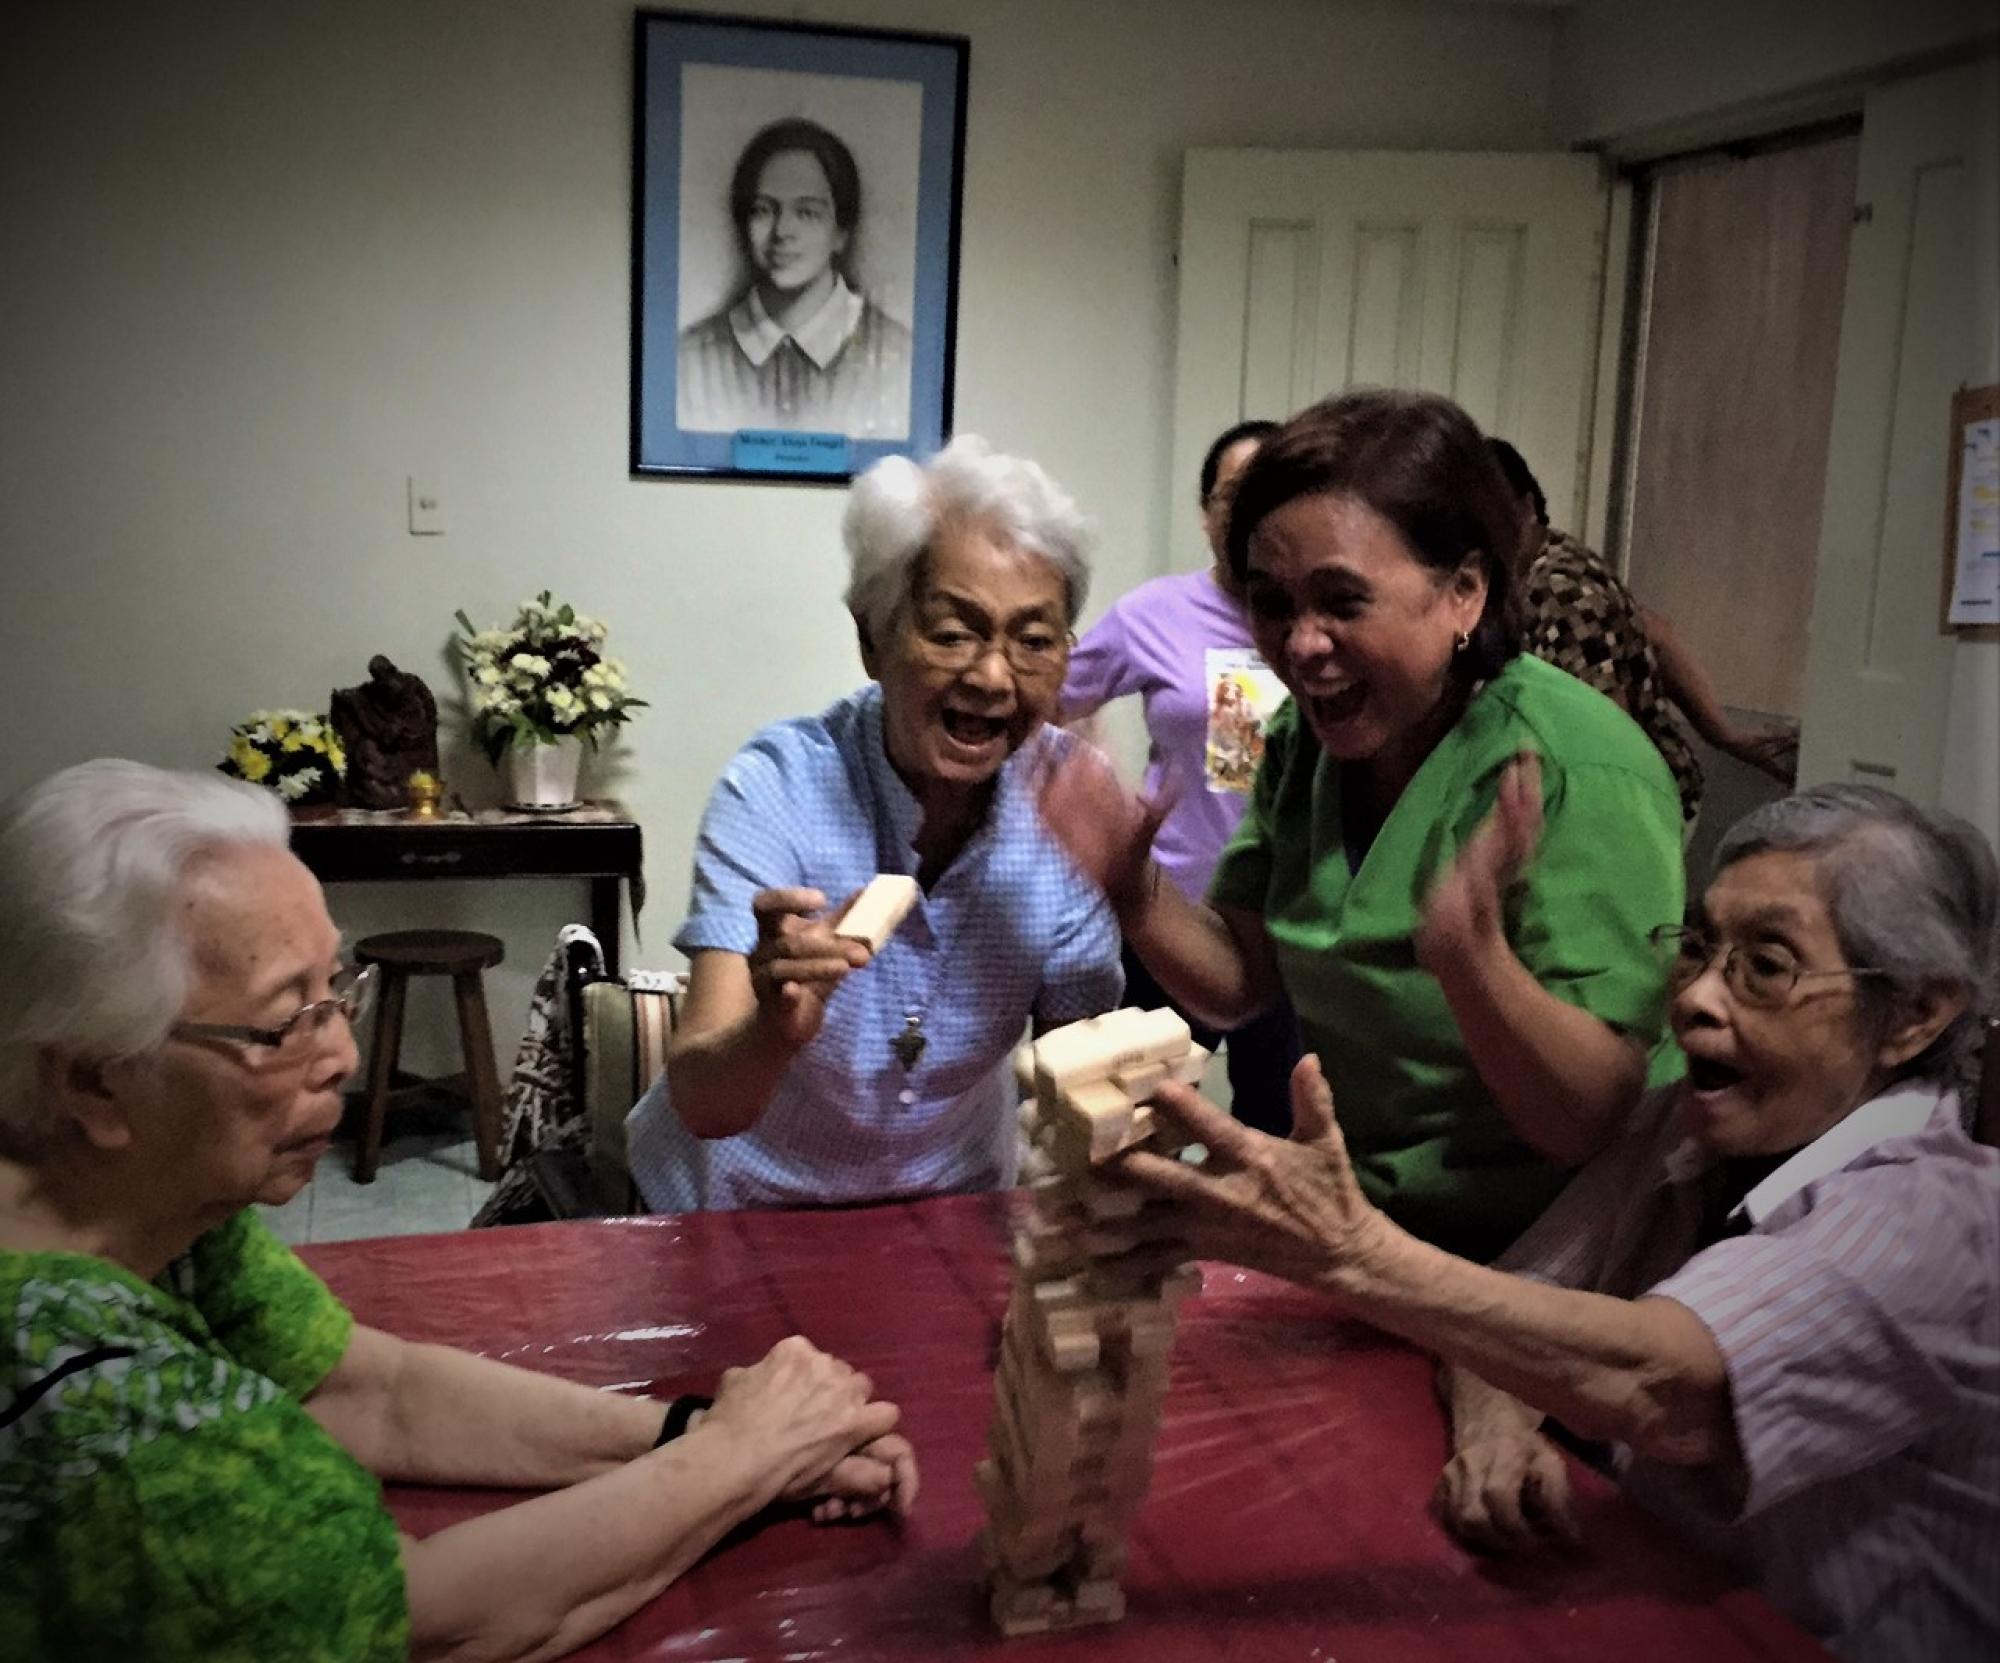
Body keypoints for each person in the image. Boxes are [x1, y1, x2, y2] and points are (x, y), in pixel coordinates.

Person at [0, 761, 918, 1663]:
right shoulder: (79, 1400)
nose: (346, 1060)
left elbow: (368, 1391)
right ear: (92, 1078)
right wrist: (745, 1455)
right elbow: (435, 1620)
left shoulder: (141, 1203)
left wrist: (698, 1432)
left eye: (336, 995)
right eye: (287, 1023)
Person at [1105, 782, 1999, 1663]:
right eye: (1697, 946)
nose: (1694, 998)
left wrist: (1349, 1251)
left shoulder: (1941, 1216)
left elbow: (1663, 1385)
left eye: (1765, 965)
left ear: (1914, 1016)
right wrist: (1502, 1419)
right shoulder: (1682, 1130)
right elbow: (1518, 1299)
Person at [1041, 389, 1685, 1261]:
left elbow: (1586, 1121)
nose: (1301, 644)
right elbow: (1240, 980)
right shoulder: (1303, 743)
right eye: (1272, 604)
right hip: (1378, 1225)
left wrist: (1475, 962)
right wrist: (1134, 888)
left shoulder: (1576, 766)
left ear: (1464, 591)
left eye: (1342, 602)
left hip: (1564, 1253)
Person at [625, 436, 1123, 1211]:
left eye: (1033, 641)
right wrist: (775, 1030)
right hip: (741, 1208)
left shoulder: (1071, 804)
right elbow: (705, 1102)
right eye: (954, 631)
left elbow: (1080, 1082)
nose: (993, 676)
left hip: (947, 1210)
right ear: (872, 636)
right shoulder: (776, 789)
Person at [1060, 418, 1301, 1134]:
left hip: (1288, 926)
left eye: (1273, 491)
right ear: (1205, 513)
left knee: (1274, 1131)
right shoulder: (1153, 614)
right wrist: (1093, 787)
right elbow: (1050, 696)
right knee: (1133, 1126)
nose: (1252, 510)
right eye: (1234, 494)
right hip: (1170, 918)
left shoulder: (1312, 623)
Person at [1489, 438, 1797, 823]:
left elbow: (1601, 725)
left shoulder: (1560, 591)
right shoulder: (1544, 559)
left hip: (1634, 805)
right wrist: (1721, 733)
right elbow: (1656, 632)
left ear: (1525, 510)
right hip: (1649, 787)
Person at [677, 117, 912, 439]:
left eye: (807, 213)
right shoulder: (689, 360)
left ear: (841, 232)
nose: (783, 232)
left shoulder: (899, 358)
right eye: (763, 210)